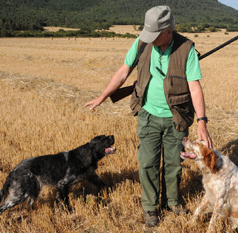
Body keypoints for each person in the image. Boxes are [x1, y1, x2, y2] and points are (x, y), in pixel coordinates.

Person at [85, 5, 212, 227]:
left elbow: (194, 87)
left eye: (155, 35)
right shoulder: (142, 43)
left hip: (177, 117)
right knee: (147, 164)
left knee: (174, 164)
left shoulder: (186, 49)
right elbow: (124, 71)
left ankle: (172, 202)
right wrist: (103, 96)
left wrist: (202, 122)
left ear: (168, 31)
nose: (150, 39)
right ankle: (150, 208)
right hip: (148, 115)